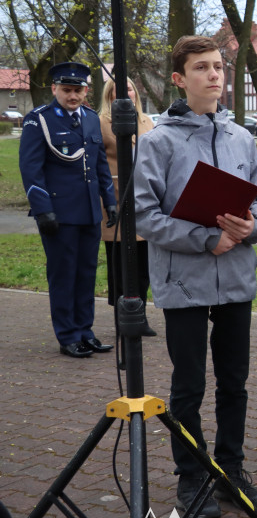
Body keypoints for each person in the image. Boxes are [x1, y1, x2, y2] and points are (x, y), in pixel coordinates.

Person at [134, 35, 257, 518]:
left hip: (235, 276)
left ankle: (230, 469)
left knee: (234, 382)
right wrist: (204, 238)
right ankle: (192, 475)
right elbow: (144, 215)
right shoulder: (158, 141)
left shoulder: (242, 138)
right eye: (201, 68)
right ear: (179, 78)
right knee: (189, 385)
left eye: (218, 67)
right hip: (183, 281)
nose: (213, 75)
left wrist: (253, 228)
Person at [19, 62, 116, 358]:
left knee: (86, 274)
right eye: (66, 90)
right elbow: (31, 169)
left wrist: (109, 200)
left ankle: (85, 331)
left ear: (86, 91)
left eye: (78, 90)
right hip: (59, 213)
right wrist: (42, 210)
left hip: (89, 211)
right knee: (63, 275)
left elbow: (99, 163)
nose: (73, 96)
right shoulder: (39, 120)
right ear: (54, 89)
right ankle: (68, 335)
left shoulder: (90, 118)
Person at [98, 77, 157, 337]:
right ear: (109, 96)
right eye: (118, 90)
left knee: (143, 263)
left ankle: (140, 315)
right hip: (116, 198)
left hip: (143, 198)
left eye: (129, 88)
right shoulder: (101, 122)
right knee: (120, 262)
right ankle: (122, 317)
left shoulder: (147, 122)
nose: (126, 93)